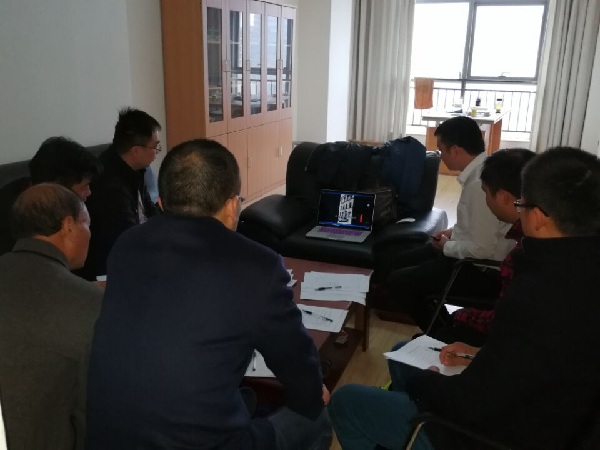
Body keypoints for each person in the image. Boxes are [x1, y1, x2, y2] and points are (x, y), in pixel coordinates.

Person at [328, 147, 600, 450]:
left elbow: (474, 402)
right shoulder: (579, 274)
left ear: (537, 217)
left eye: (521, 205)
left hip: (491, 434)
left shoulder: (538, 293)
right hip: (540, 411)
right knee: (403, 351)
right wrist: (478, 354)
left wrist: (428, 386)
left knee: (346, 401)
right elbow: (534, 363)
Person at [86, 139, 332, 450]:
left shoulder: (127, 245)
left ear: (161, 202)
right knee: (316, 419)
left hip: (110, 438)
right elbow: (295, 358)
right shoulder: (257, 265)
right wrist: (311, 396)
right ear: (231, 206)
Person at [376, 116, 516, 332]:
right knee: (399, 259)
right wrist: (451, 233)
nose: (440, 156)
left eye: (441, 149)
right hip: (467, 255)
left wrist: (446, 246)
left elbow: (482, 249)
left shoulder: (480, 185)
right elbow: (476, 227)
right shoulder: (479, 174)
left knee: (400, 281)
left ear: (456, 150)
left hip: (480, 269)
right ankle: (440, 323)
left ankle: (442, 333)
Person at [0, 183, 102, 449]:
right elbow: (91, 412)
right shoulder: (89, 304)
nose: (89, 234)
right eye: (87, 224)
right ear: (68, 226)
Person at [418, 148, 536, 345]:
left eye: (486, 193)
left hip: (482, 271)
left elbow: (502, 319)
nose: (485, 200)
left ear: (504, 197)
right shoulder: (528, 230)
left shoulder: (524, 253)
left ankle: (436, 336)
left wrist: (458, 317)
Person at [81, 107, 161, 280]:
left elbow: (150, 210)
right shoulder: (108, 185)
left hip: (138, 244)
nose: (157, 152)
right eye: (155, 147)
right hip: (112, 265)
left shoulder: (135, 168)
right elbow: (128, 238)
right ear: (136, 150)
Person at [0, 136, 102, 255]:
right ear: (59, 188)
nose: (88, 192)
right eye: (84, 186)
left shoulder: (77, 203)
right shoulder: (11, 217)